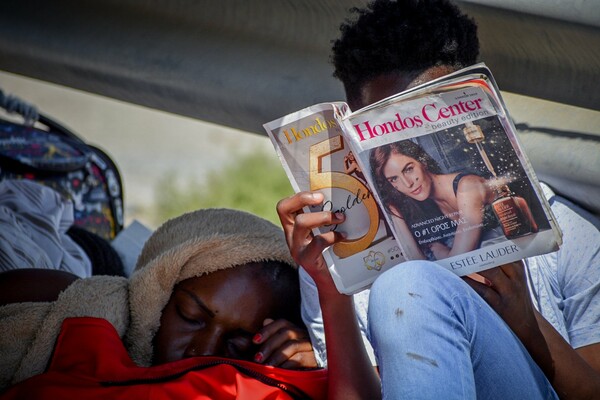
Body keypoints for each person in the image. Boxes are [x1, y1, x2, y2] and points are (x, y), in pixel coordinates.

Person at [285, 0, 600, 398]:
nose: (405, 178)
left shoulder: (567, 233)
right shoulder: (337, 254)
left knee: (409, 282)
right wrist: (332, 292)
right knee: (406, 283)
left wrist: (525, 321)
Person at [0, 208, 323, 396]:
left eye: (239, 341)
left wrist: (319, 368)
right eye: (191, 315)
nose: (204, 350)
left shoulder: (267, 381)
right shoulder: (61, 304)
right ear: (154, 291)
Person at [370, 139, 503, 260]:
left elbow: (460, 259)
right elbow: (417, 262)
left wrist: (443, 252)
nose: (407, 183)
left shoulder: (467, 186)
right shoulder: (427, 202)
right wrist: (395, 212)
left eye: (409, 169)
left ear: (423, 161)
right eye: (394, 179)